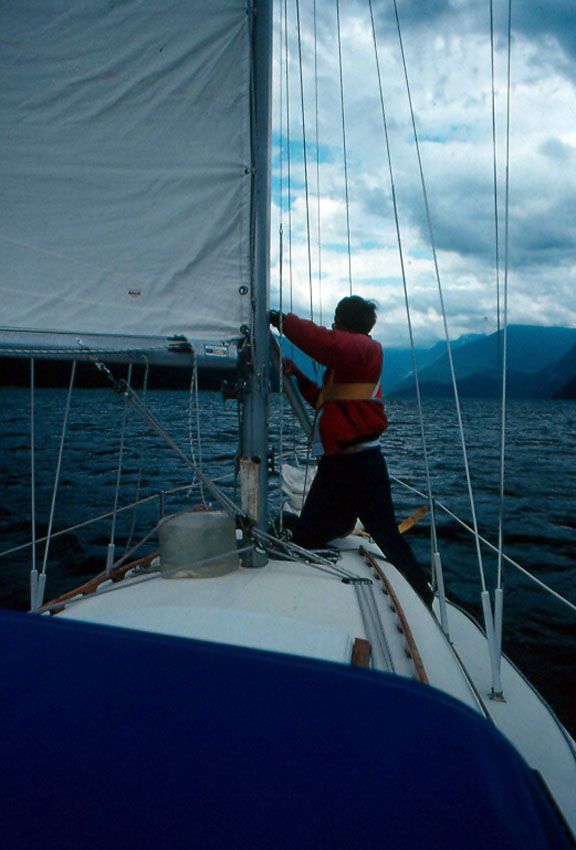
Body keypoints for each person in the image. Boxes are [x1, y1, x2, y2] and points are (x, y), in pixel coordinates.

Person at [270, 296, 433, 607]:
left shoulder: (365, 349)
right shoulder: (349, 365)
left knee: (385, 535)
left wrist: (282, 321)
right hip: (339, 465)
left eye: (335, 321)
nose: (332, 326)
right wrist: (300, 377)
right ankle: (329, 550)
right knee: (306, 537)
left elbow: (328, 344)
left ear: (344, 324)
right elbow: (325, 401)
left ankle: (423, 597)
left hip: (361, 464)